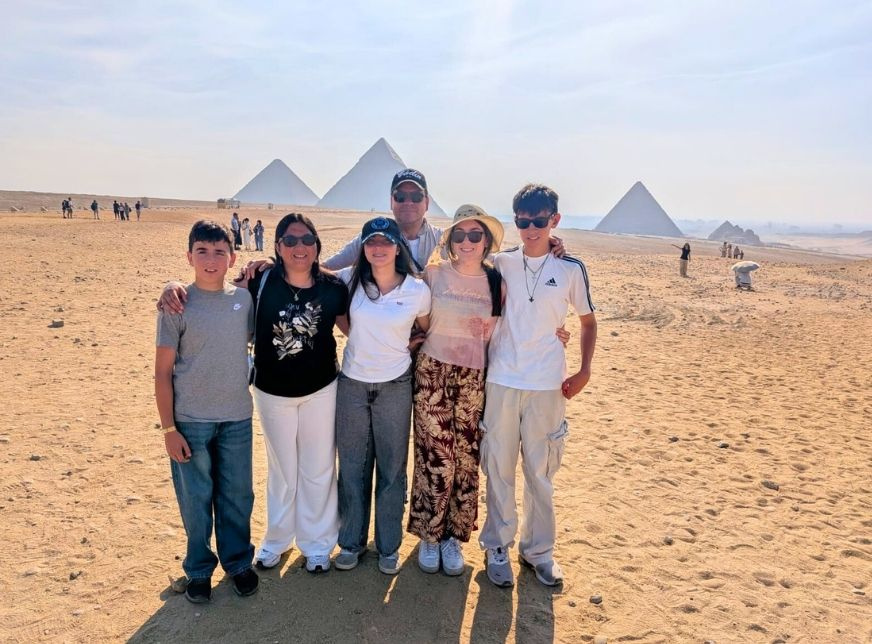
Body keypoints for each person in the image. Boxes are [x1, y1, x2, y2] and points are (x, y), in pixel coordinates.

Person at [158, 215, 349, 575]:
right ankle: (277, 540)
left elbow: (354, 328)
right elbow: (213, 291)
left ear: (317, 245)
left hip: (322, 389)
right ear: (277, 247)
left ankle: (318, 544)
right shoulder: (259, 279)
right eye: (289, 240)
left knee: (319, 467)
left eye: (306, 240)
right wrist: (172, 287)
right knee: (282, 469)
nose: (299, 247)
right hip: (272, 392)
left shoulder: (333, 287)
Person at [406, 205, 573, 576]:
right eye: (460, 235)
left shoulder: (498, 279)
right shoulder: (432, 275)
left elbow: (523, 316)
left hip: (475, 376)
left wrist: (555, 333)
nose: (467, 242)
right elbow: (405, 308)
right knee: (435, 455)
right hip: (433, 373)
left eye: (475, 235)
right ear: (450, 240)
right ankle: (430, 535)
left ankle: (453, 537)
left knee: (466, 458)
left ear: (486, 241)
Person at [480, 184, 597, 589]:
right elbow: (457, 259)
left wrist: (584, 371)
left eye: (539, 221)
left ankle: (539, 551)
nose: (531, 229)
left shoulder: (571, 268)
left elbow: (587, 321)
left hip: (547, 384)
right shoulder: (501, 263)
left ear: (555, 220)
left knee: (540, 470)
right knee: (498, 467)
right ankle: (498, 545)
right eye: (523, 221)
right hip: (502, 378)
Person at [154, 219, 259, 604]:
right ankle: (198, 569)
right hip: (191, 421)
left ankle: (237, 562)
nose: (210, 260)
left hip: (237, 417)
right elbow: (162, 372)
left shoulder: (244, 301)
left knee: (237, 495)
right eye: (202, 251)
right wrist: (169, 430)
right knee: (196, 499)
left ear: (232, 258)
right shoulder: (177, 304)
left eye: (219, 252)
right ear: (189, 256)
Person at [333, 216, 431, 576]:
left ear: (397, 246)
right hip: (353, 384)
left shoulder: (417, 290)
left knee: (391, 469)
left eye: (385, 242)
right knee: (353, 467)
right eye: (371, 242)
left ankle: (388, 546)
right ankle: (351, 542)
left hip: (395, 385)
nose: (378, 248)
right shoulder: (349, 280)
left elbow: (425, 327)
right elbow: (310, 273)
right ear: (363, 248)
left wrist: (409, 343)